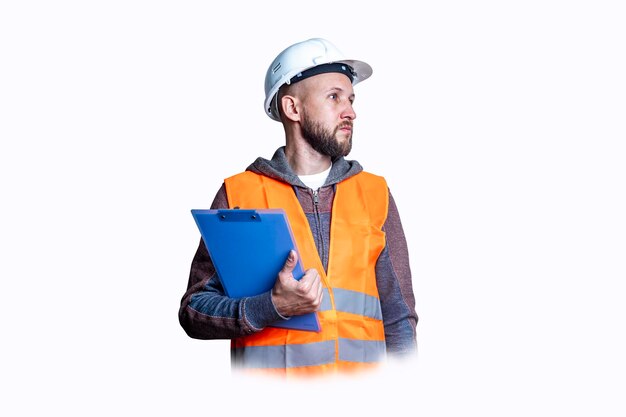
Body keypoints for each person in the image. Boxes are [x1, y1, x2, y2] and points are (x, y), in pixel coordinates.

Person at [179, 38, 418, 377]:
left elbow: (399, 316)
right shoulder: (239, 193)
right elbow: (194, 312)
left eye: (351, 99)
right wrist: (271, 307)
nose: (350, 110)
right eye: (334, 97)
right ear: (293, 109)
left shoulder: (374, 192)